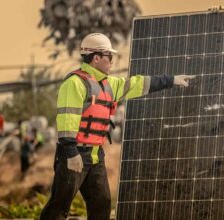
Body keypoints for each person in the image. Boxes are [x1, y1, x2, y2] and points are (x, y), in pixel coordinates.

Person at [40, 33, 195, 220]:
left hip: (96, 156)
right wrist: (70, 151)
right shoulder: (74, 83)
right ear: (96, 58)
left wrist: (170, 80)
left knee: (102, 205)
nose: (112, 62)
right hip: (73, 155)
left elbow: (138, 84)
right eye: (109, 57)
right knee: (58, 208)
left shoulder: (110, 84)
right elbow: (67, 119)